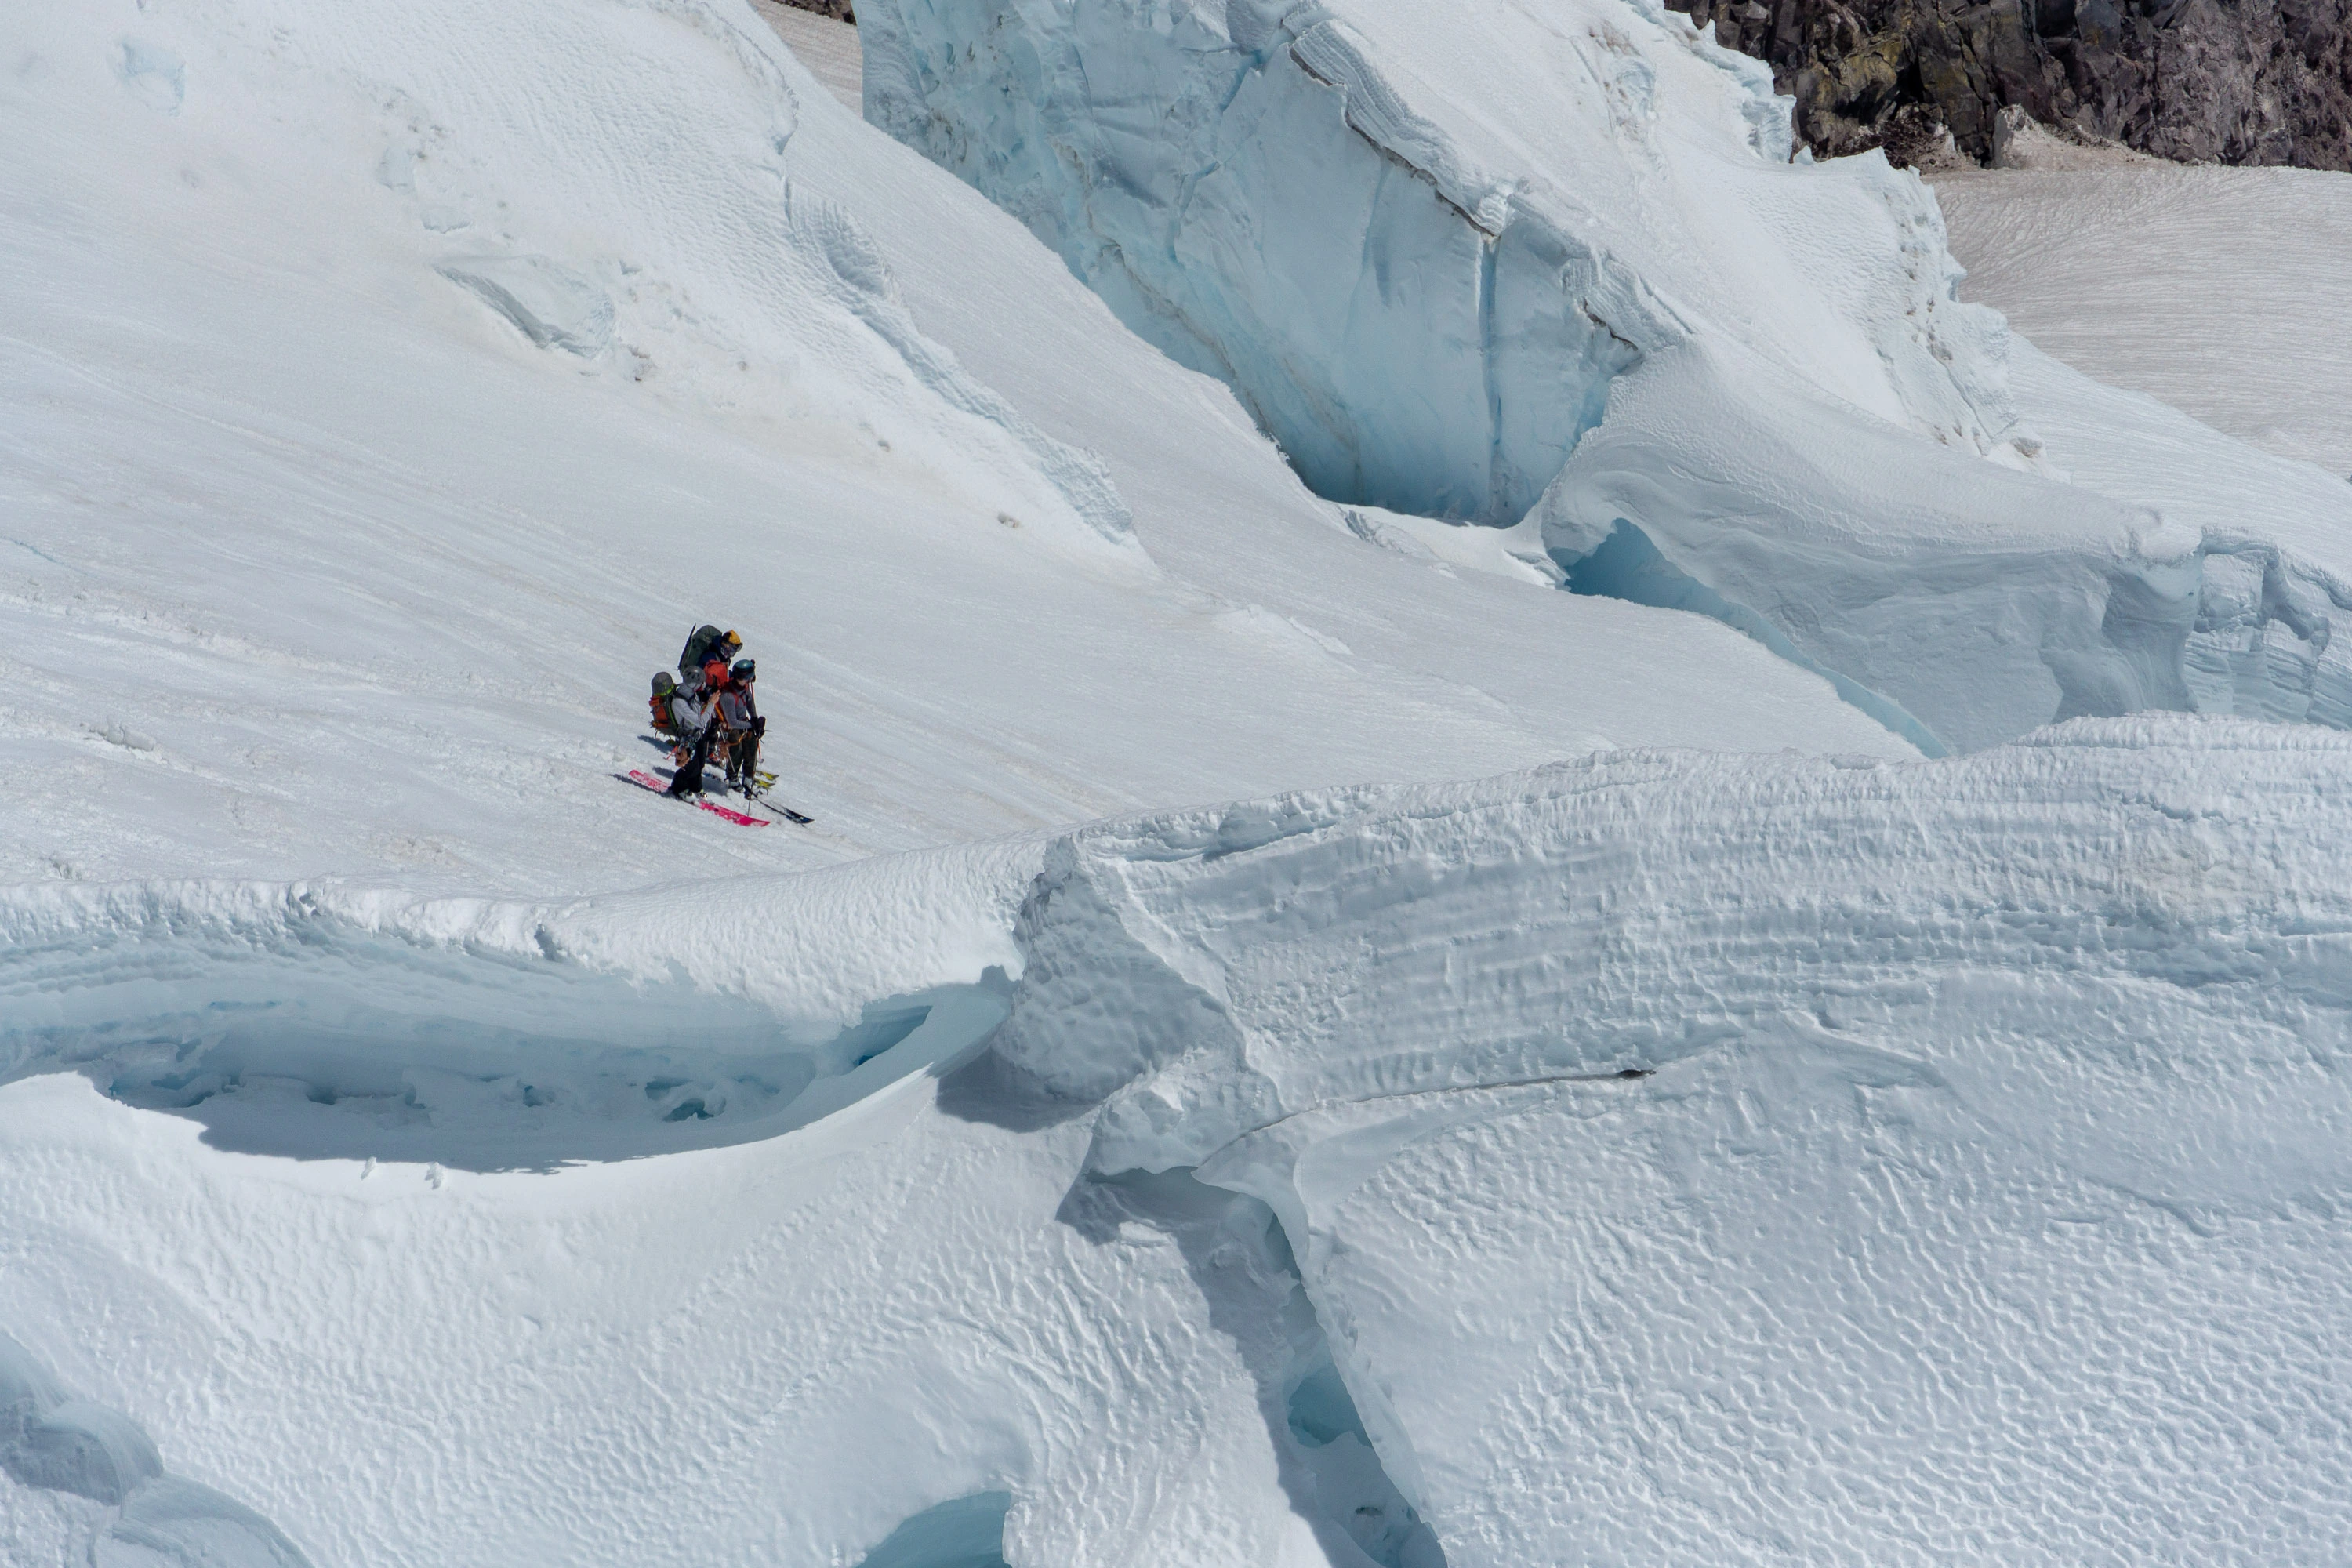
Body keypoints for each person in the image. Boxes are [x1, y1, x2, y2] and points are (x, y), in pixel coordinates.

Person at [665, 666, 724, 797]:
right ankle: (678, 788)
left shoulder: (692, 694)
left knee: (700, 764)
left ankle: (696, 789)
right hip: (686, 739)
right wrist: (711, 704)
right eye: (701, 683)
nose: (703, 685)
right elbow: (700, 721)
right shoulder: (679, 701)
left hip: (696, 736)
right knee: (691, 767)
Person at [718, 659, 764, 793]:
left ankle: (748, 776)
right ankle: (732, 778)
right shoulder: (728, 696)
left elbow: (749, 702)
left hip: (744, 723)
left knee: (751, 745)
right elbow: (732, 722)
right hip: (730, 727)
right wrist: (751, 725)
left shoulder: (743, 688)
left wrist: (755, 719)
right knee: (736, 749)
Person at [677, 626, 743, 679]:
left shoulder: (721, 656)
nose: (732, 653)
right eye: (732, 649)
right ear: (725, 644)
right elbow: (719, 675)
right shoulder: (711, 657)